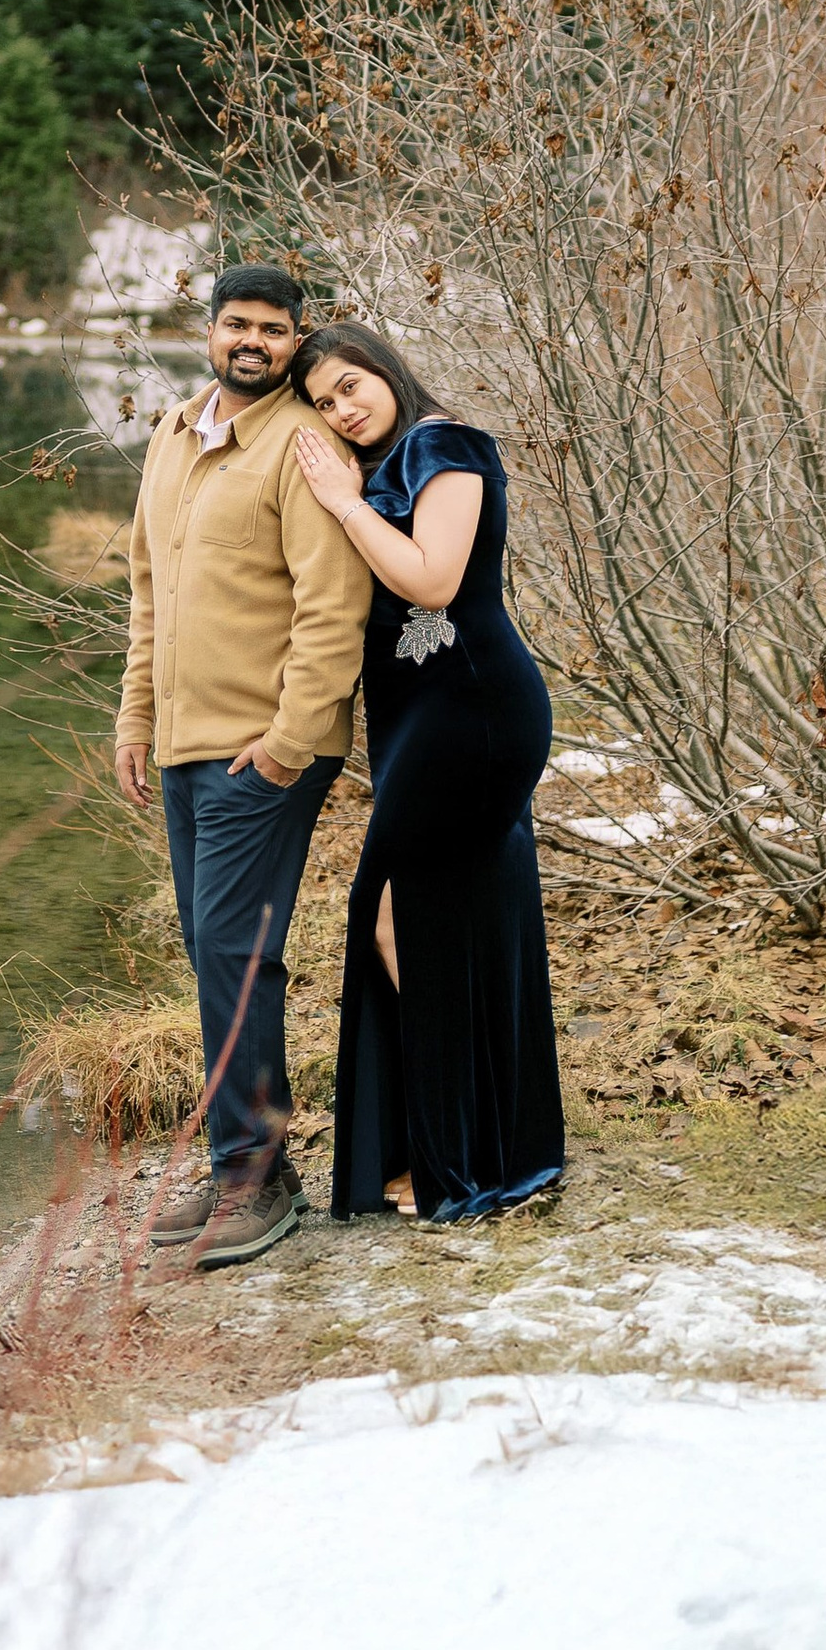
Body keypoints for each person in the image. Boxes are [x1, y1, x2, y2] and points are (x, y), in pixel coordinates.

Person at [114, 262, 368, 1267]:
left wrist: (287, 743)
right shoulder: (173, 438)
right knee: (214, 951)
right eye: (236, 324)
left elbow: (330, 609)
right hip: (179, 743)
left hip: (260, 752)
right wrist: (133, 720)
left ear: (298, 339)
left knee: (232, 951)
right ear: (209, 331)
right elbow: (145, 592)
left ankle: (254, 1179)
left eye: (273, 328)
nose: (251, 340)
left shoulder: (300, 446)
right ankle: (245, 1163)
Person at [288, 319, 564, 1221]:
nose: (344, 409)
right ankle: (493, 1149)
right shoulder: (382, 464)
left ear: (385, 368)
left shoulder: (443, 443)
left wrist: (342, 501)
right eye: (325, 403)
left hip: (473, 714)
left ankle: (460, 1160)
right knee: (466, 923)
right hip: (422, 721)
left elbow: (434, 579)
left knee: (396, 924)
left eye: (350, 386)